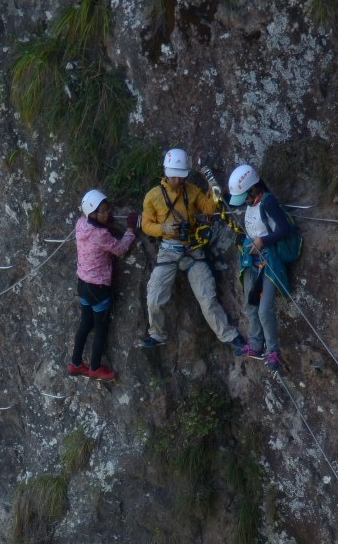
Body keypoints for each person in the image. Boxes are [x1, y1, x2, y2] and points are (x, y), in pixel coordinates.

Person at [139, 148, 245, 355]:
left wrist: (212, 190)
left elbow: (207, 209)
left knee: (207, 298)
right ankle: (157, 334)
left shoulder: (191, 190)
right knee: (154, 297)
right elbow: (145, 224)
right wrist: (163, 229)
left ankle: (229, 336)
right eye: (174, 175)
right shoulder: (153, 196)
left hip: (192, 249)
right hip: (168, 250)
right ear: (165, 171)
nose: (177, 179)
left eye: (181, 175)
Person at [226, 163, 297, 371]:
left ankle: (273, 350)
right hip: (251, 261)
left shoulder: (268, 202)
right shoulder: (249, 204)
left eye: (245, 197)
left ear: (253, 189)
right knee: (250, 306)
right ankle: (256, 345)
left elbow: (285, 229)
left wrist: (263, 242)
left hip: (268, 261)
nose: (243, 203)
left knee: (265, 310)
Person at [69, 188, 138, 382]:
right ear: (92, 213)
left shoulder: (80, 224)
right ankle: (95, 367)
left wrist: (105, 219)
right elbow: (121, 249)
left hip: (82, 283)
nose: (107, 213)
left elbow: (96, 223)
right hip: (99, 288)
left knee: (85, 323)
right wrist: (131, 230)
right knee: (101, 328)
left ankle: (75, 363)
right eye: (103, 211)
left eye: (107, 209)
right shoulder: (101, 235)